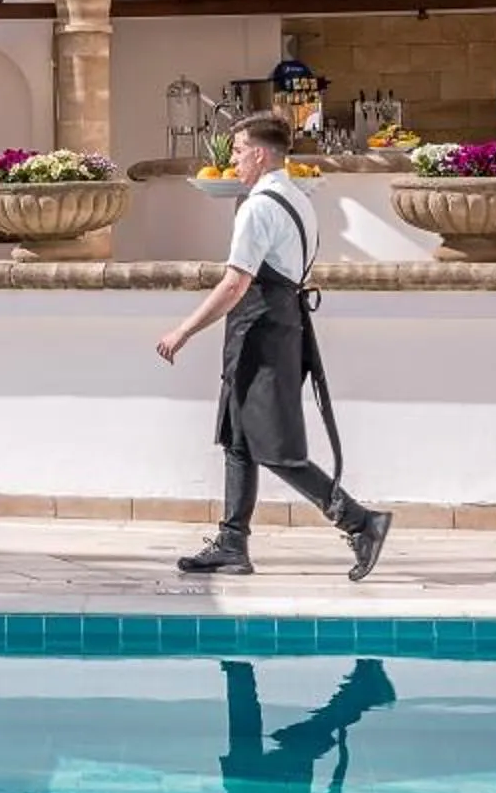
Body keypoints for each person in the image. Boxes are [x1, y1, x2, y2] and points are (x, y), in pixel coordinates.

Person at [155, 110, 391, 580]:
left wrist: (183, 330)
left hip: (261, 332)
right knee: (239, 438)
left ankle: (360, 522)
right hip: (276, 328)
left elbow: (234, 285)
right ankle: (231, 543)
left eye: (239, 151)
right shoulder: (296, 198)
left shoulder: (259, 206)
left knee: (274, 446)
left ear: (260, 155)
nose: (235, 160)